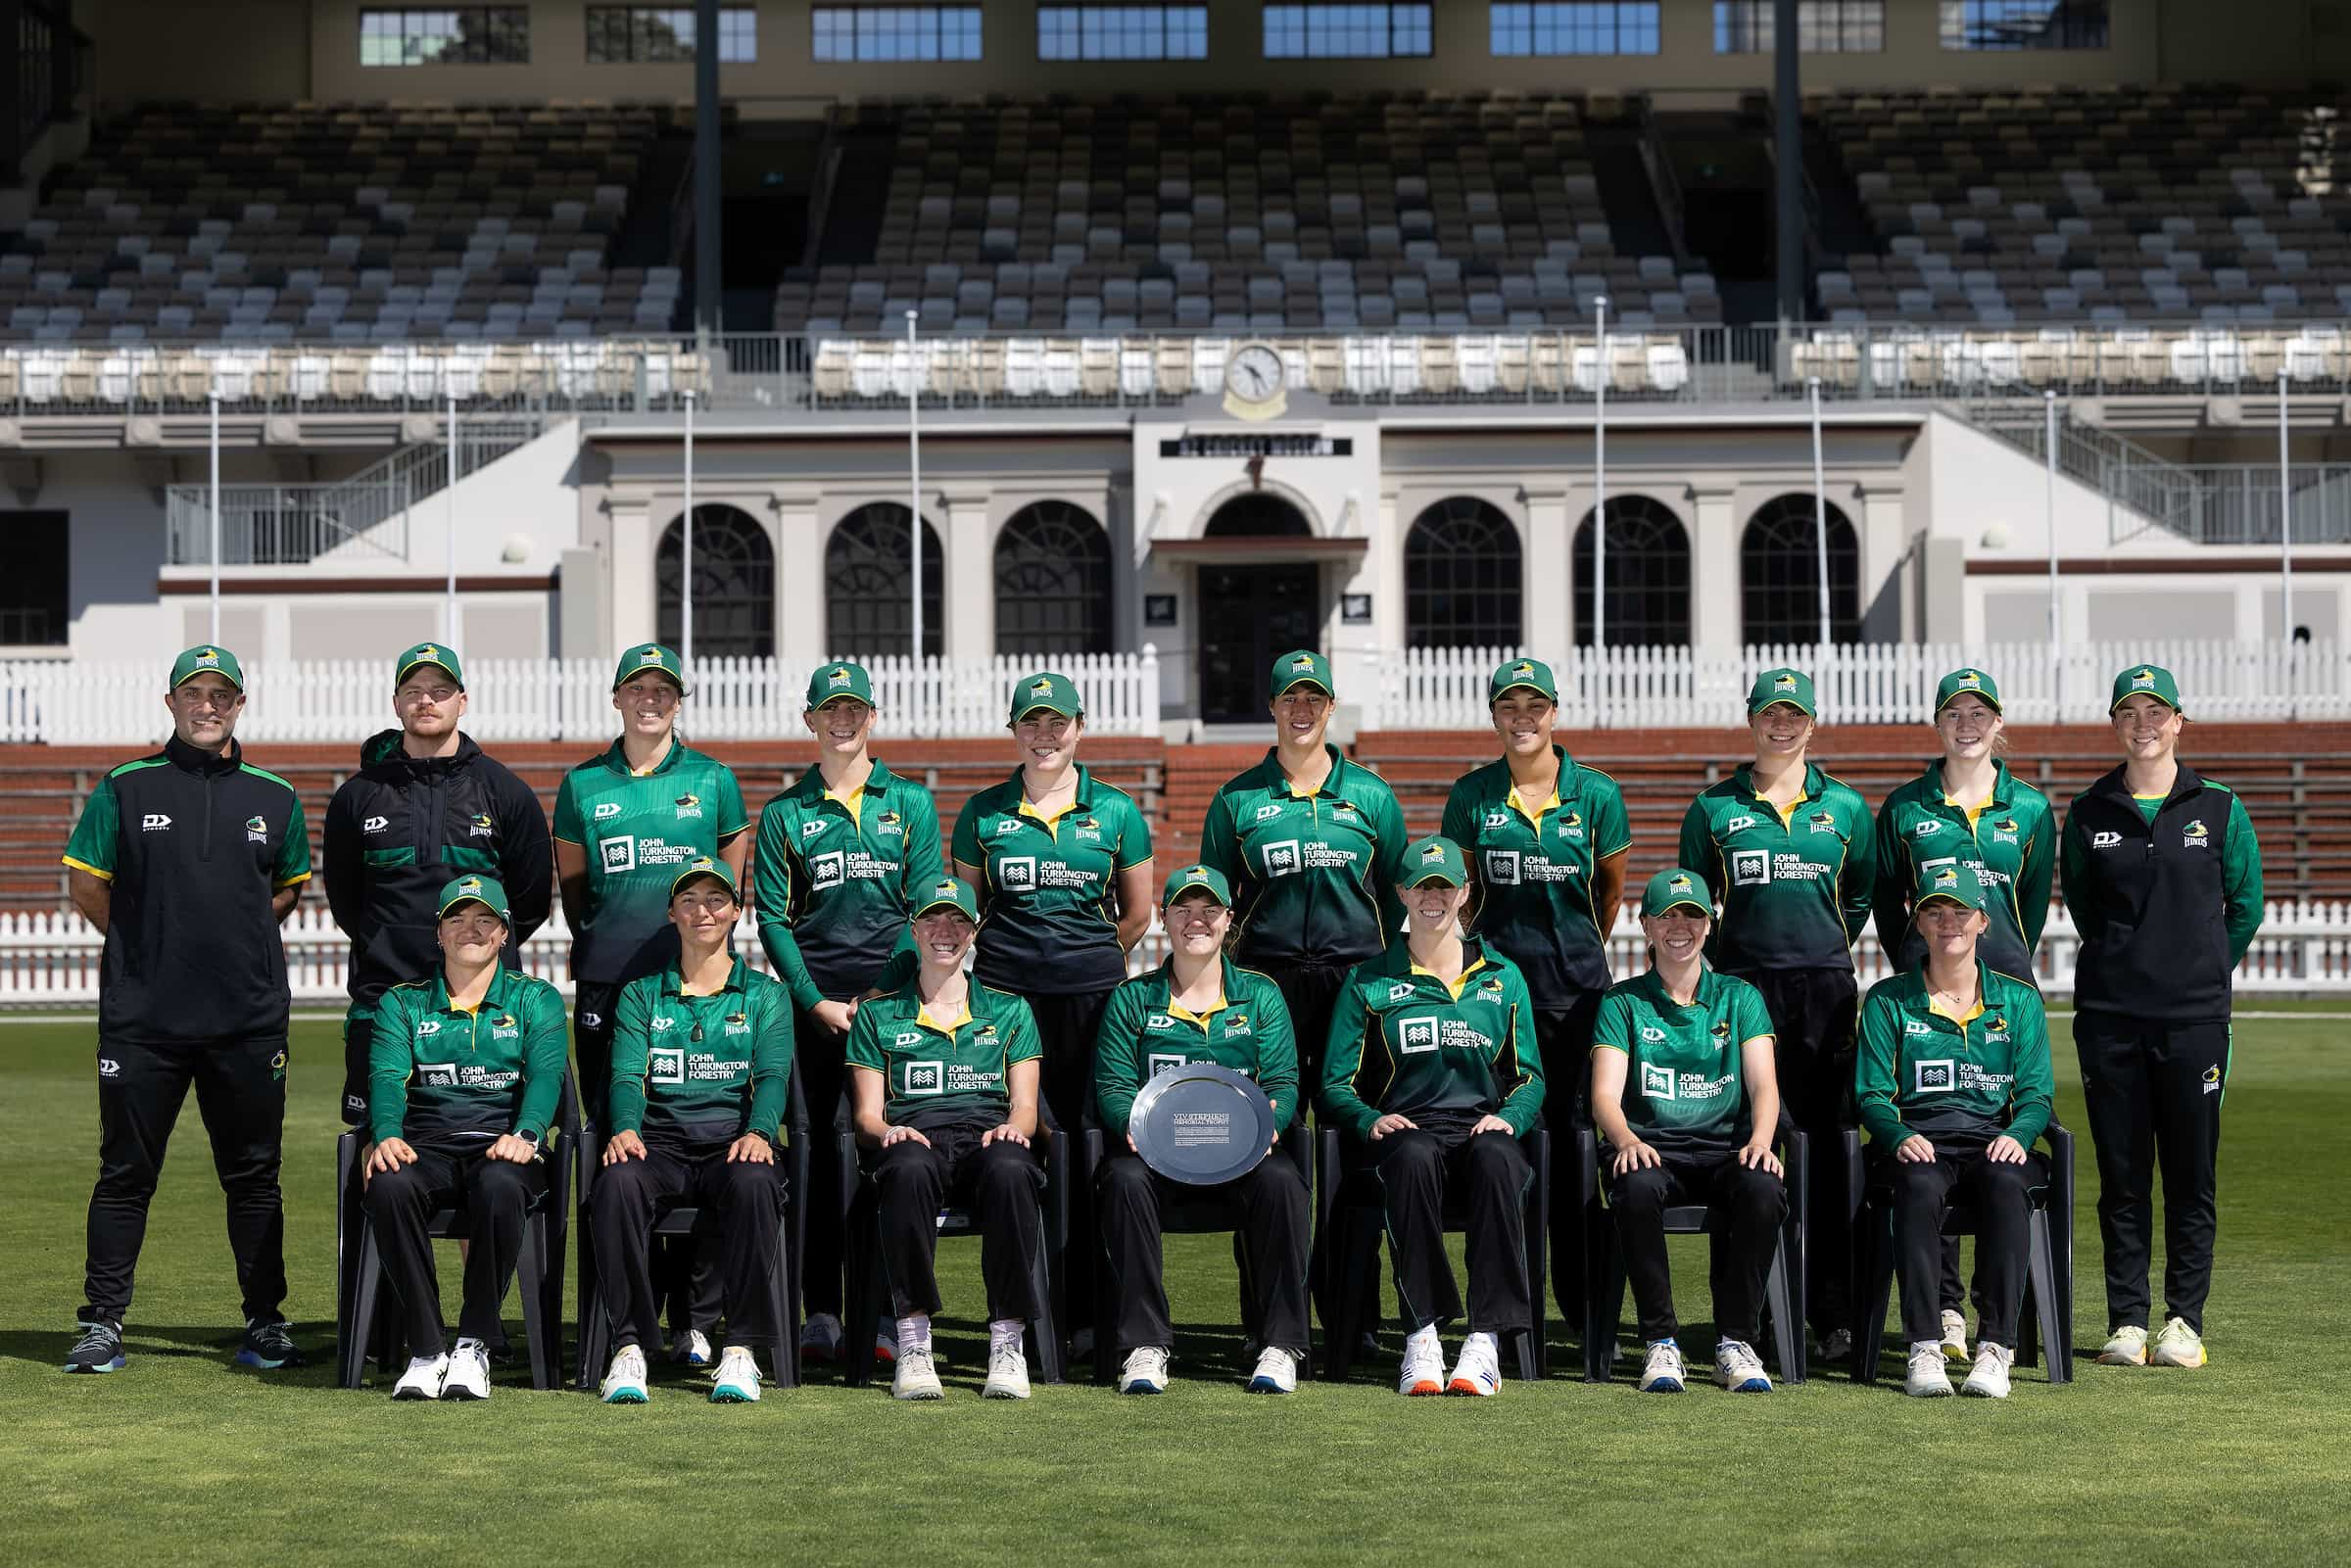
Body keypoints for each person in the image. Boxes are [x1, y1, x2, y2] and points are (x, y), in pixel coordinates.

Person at [61, 645, 312, 1376]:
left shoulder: (276, 795)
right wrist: (146, 944)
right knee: (125, 1172)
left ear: (241, 703)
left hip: (248, 1021)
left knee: (255, 1177)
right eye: (194, 692)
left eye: (222, 694)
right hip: (145, 1022)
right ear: (170, 701)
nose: (209, 705)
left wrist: (231, 947)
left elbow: (287, 889)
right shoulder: (124, 786)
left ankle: (266, 1321)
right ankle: (102, 1322)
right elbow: (85, 886)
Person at [552, 641, 750, 1368]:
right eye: (637, 687)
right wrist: (611, 940)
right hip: (611, 982)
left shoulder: (713, 779)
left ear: (678, 700)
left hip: (695, 981)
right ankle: (624, 1317)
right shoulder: (582, 785)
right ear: (617, 697)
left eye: (663, 690)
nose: (650, 699)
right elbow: (576, 890)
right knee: (623, 1138)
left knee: (702, 1126)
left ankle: (695, 1314)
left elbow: (728, 879)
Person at [2062, 664, 2264, 1371]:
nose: (2143, 724)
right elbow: (2087, 909)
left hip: (2194, 1022)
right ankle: (2126, 1320)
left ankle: (2184, 1321)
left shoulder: (2219, 807)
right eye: (2130, 712)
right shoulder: (2089, 812)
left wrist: (2200, 970)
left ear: (2180, 720)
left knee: (2189, 1176)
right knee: (2122, 1176)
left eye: (2156, 712)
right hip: (2112, 1019)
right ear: (2115, 724)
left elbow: (2246, 908)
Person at [950, 671, 1153, 1355]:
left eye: (1056, 722)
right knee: (1017, 1146)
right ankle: (1022, 1317)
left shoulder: (1118, 811)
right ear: (1014, 730)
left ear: (1079, 726)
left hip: (1094, 1004)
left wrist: (1087, 960)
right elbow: (963, 914)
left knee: (1093, 1147)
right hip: (1007, 1005)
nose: (1045, 735)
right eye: (1031, 723)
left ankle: (1090, 1316)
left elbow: (1138, 913)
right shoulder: (983, 812)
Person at [1677, 667, 1874, 1363]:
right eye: (1770, 712)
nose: (1781, 724)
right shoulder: (1712, 810)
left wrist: (1818, 950)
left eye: (1794, 713)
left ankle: (1832, 1314)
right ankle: (1746, 1317)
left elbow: (1857, 899)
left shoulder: (1846, 809)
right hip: (1743, 991)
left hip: (1825, 991)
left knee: (1827, 1151)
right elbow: (1695, 898)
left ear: (1812, 722)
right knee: (1744, 1144)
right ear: (1752, 719)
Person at [752, 659, 941, 1368]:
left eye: (854, 708)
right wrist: (814, 1000)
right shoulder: (783, 813)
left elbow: (922, 905)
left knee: (890, 1150)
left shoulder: (912, 803)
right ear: (810, 719)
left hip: (893, 1003)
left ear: (873, 715)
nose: (842, 720)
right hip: (815, 1004)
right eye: (830, 709)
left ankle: (893, 1310)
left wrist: (883, 996)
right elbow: (772, 917)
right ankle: (821, 1312)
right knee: (815, 1155)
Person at [1871, 666, 2055, 1365]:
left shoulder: (2031, 808)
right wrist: (1928, 966)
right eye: (1955, 711)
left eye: (1981, 711)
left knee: (1996, 1143)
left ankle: (1994, 1324)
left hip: (2004, 994)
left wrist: (1998, 961)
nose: (1968, 723)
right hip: (1929, 988)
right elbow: (1891, 903)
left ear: (1999, 722)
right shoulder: (1906, 806)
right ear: (1938, 723)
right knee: (1931, 1129)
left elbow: (2029, 908)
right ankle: (1943, 1309)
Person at [1320, 835, 1545, 1399]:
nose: (1433, 898)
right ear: (1401, 893)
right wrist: (1367, 1117)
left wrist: (1511, 1119)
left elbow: (1530, 1076)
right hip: (1405, 1132)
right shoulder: (1369, 979)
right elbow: (1333, 1081)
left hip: (1478, 1129)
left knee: (1498, 1159)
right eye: (1422, 886)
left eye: (1444, 886)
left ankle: (1484, 1339)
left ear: (1465, 892)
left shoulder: (1503, 977)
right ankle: (1422, 1333)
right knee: (1414, 1155)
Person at [1441, 655, 1629, 1323]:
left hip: (1577, 997)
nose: (1522, 719)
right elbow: (1462, 898)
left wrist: (1567, 952)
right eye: (1508, 707)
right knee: (1505, 1150)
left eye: (1534, 706)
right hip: (1496, 1001)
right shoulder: (1472, 794)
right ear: (1494, 715)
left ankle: (1583, 1315)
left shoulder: (1597, 793)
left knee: (1577, 1151)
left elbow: (1608, 896)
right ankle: (1510, 1316)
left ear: (1555, 711)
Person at [1093, 864, 1310, 1396]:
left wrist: (1269, 1127)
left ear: (1229, 920)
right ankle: (1144, 1345)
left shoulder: (1261, 996)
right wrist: (1136, 1129)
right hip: (1157, 1161)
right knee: (1121, 1181)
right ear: (1164, 919)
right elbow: (1114, 1086)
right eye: (1184, 910)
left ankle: (1278, 1343)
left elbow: (1282, 1081)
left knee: (1283, 1182)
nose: (1197, 921)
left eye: (1209, 910)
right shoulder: (1132, 999)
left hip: (1242, 1160)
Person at [324, 641, 552, 1130]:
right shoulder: (357, 797)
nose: (426, 701)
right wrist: (390, 941)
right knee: (376, 1155)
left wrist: (470, 956)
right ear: (397, 704)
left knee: (488, 1146)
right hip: (384, 1001)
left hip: (487, 1010)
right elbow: (346, 900)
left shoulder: (506, 792)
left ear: (462, 701)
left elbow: (528, 902)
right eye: (414, 691)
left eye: (440, 690)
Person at [593, 859, 794, 1405]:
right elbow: (627, 1074)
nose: (701, 911)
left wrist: (758, 1131)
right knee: (614, 1184)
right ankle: (630, 1346)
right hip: (659, 1143)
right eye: (689, 901)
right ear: (672, 913)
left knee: (756, 1183)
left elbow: (773, 1076)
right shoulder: (640, 994)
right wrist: (626, 1129)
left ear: (736, 912)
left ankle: (742, 1349)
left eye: (715, 900)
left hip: (732, 1141)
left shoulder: (766, 995)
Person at [362, 875, 568, 1400]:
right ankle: (427, 1350)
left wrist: (526, 1132)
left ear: (504, 934)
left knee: (500, 1184)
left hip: (503, 1142)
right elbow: (386, 1078)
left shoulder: (535, 998)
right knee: (387, 1185)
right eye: (456, 918)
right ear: (439, 933)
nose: (470, 930)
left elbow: (547, 1076)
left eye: (484, 920)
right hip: (426, 1143)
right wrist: (385, 1135)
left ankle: (474, 1342)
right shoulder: (402, 1002)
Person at [1854, 865, 2054, 1400]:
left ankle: (1995, 1350)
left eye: (1961, 912)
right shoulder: (1887, 999)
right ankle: (1925, 1345)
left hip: (1993, 1139)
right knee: (1917, 1185)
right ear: (1918, 922)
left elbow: (2036, 1094)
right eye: (1935, 911)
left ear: (1983, 921)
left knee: (2008, 1183)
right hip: (1920, 1141)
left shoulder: (2018, 1000)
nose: (1949, 923)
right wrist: (1896, 1136)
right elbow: (1872, 1095)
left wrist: (2020, 1132)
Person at [845, 878, 1048, 1402]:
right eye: (933, 919)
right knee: (906, 1167)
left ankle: (1007, 1342)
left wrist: (1012, 1129)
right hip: (914, 1136)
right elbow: (866, 1116)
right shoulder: (876, 1013)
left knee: (1012, 1168)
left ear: (974, 930)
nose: (945, 930)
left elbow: (1026, 1108)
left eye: (958, 920)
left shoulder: (1010, 1010)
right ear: (912, 929)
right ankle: (914, 1343)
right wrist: (891, 1131)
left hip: (987, 1136)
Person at [1590, 868, 1786, 1396]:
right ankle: (1661, 1341)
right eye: (1668, 916)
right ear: (1645, 924)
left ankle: (1735, 1343)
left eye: (1693, 915)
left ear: (1710, 924)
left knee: (1764, 1187)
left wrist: (1761, 1143)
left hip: (1726, 1150)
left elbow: (1764, 1085)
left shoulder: (1739, 998)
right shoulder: (1622, 1002)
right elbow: (1605, 1097)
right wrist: (1628, 1141)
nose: (1681, 927)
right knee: (1632, 1188)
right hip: (1653, 1150)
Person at [1199, 648, 1408, 1087]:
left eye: (1314, 698)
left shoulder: (1372, 795)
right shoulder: (1236, 799)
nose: (1302, 710)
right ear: (1272, 705)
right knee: (1275, 1110)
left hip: (1355, 977)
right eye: (1290, 698)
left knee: (1355, 1106)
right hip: (1267, 977)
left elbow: (1395, 891)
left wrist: (1368, 952)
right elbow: (1213, 898)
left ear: (1332, 705)